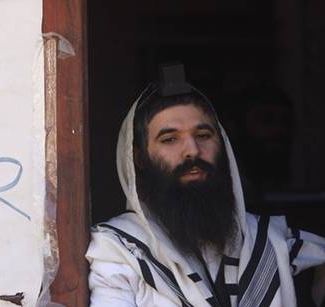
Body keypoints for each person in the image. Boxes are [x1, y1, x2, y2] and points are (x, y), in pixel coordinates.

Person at [86, 63, 325, 306]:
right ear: (139, 159)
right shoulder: (118, 249)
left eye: (203, 135)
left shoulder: (272, 241)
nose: (192, 151)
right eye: (170, 139)